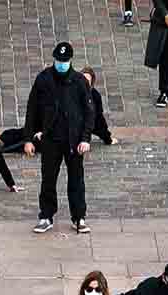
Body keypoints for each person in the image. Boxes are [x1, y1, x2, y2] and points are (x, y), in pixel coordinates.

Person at [22, 41, 111, 235]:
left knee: (76, 180)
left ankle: (78, 217)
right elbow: (32, 109)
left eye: (65, 60)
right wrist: (29, 138)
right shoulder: (43, 79)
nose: (61, 63)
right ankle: (46, 215)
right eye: (59, 60)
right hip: (51, 139)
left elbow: (89, 112)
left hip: (74, 140)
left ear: (70, 60)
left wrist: (85, 138)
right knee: (48, 179)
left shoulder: (79, 81)